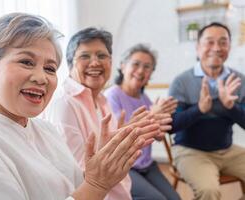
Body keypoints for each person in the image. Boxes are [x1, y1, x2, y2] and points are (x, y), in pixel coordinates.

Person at [0, 13, 160, 200]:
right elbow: (90, 189)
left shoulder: (44, 129)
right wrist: (97, 184)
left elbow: (77, 188)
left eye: (49, 68)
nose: (41, 78)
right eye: (26, 62)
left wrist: (102, 167)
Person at [45, 28, 168, 200]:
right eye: (85, 56)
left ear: (111, 62)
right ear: (70, 63)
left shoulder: (102, 100)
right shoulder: (65, 104)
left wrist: (127, 133)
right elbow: (77, 175)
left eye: (102, 56)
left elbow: (110, 150)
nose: (95, 62)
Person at [169, 22, 245, 200]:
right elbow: (170, 125)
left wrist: (230, 108)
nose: (216, 48)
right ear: (198, 47)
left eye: (223, 42)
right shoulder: (181, 81)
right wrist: (199, 109)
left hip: (226, 150)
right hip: (190, 151)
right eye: (209, 42)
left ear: (229, 47)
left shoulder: (239, 80)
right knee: (209, 191)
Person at [104, 43, 180, 200]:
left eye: (147, 67)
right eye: (136, 64)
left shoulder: (144, 98)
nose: (141, 71)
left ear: (151, 74)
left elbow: (157, 136)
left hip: (146, 164)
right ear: (123, 66)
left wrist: (162, 121)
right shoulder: (112, 96)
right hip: (124, 165)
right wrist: (153, 115)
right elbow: (121, 136)